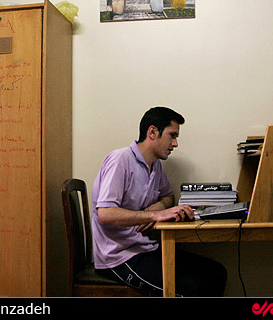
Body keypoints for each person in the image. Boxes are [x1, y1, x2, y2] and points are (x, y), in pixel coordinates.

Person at [92, 106, 227, 296]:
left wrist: (156, 208)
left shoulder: (155, 166)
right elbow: (105, 214)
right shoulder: (120, 160)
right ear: (152, 132)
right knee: (192, 288)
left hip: (145, 248)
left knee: (217, 272)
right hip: (119, 257)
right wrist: (155, 215)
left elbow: (168, 197)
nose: (175, 143)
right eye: (172, 135)